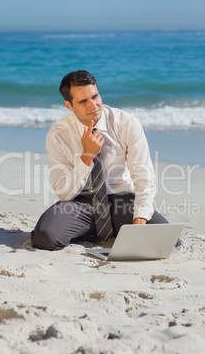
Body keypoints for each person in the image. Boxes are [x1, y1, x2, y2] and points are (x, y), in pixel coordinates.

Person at [31, 70, 168, 250]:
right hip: (81, 202)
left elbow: (143, 176)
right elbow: (64, 193)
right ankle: (87, 228)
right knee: (45, 237)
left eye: (95, 96)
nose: (93, 105)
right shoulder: (57, 135)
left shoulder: (126, 123)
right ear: (69, 105)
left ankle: (104, 229)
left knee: (167, 239)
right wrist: (86, 157)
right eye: (83, 101)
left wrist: (139, 221)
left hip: (121, 200)